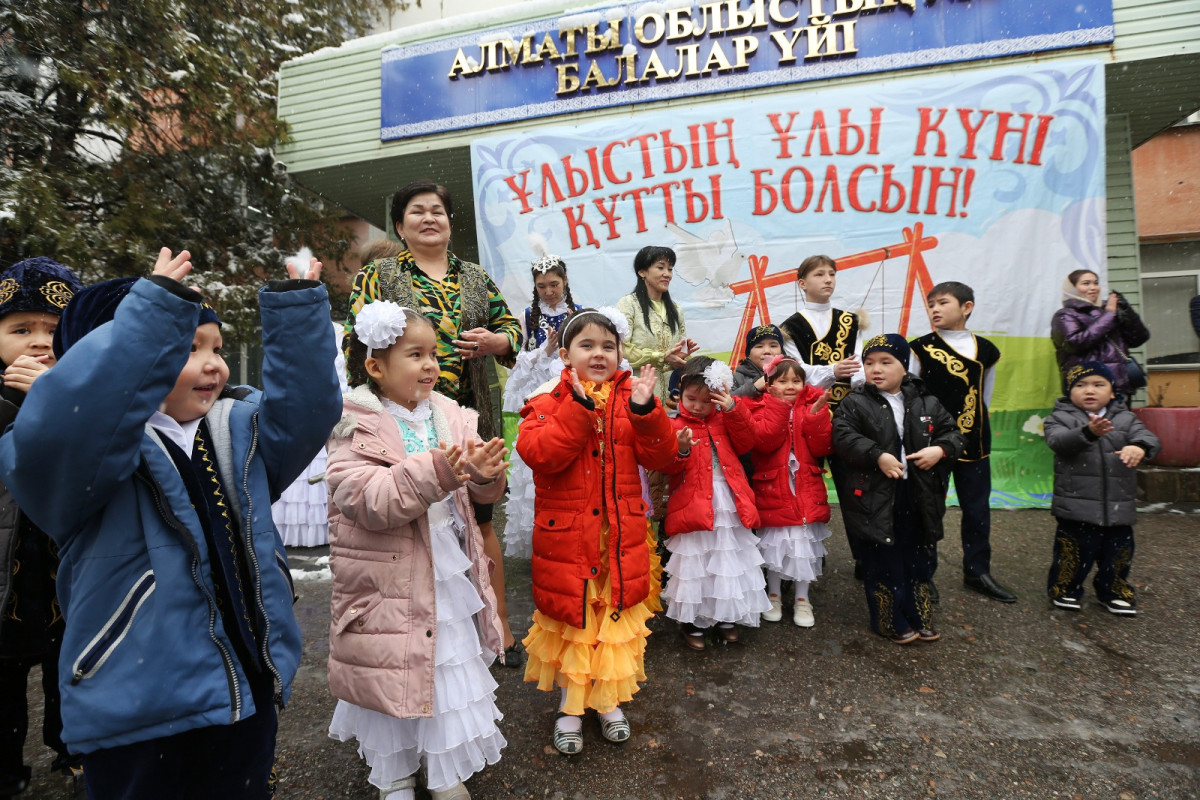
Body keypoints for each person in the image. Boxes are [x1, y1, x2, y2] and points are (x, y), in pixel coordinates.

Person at [0, 248, 340, 799]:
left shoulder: (236, 429)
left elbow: (306, 409)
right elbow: (83, 419)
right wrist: (150, 318)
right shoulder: (77, 449)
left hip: (242, 687)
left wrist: (297, 307)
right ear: (112, 360)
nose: (213, 364)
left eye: (217, 348)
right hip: (138, 704)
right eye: (185, 348)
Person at [326, 302, 509, 800]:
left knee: (445, 659)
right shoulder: (353, 423)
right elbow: (366, 500)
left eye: (434, 354)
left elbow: (478, 492)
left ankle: (445, 768)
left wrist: (488, 476)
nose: (430, 365)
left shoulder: (452, 414)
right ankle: (396, 774)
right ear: (375, 366)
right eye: (415, 354)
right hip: (385, 580)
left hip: (447, 565)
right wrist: (443, 471)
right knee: (393, 663)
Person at [343, 179, 524, 664]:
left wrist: (497, 343)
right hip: (403, 421)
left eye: (438, 211)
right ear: (400, 227)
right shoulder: (380, 274)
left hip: (468, 416)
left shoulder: (475, 276)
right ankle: (420, 636)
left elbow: (513, 331)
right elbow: (356, 345)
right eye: (417, 212)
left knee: (478, 522)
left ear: (449, 222)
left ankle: (497, 627)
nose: (430, 218)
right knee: (414, 527)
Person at [517, 310, 676, 755]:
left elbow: (661, 457)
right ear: (566, 355)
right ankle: (570, 706)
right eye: (587, 346)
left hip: (620, 536)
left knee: (612, 622)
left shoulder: (632, 399)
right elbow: (538, 453)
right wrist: (579, 411)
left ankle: (607, 702)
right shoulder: (548, 399)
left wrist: (647, 412)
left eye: (608, 346)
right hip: (569, 540)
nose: (600, 354)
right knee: (575, 621)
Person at [0, 258, 84, 798]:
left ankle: (73, 751)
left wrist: (59, 397)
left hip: (66, 574)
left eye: (54, 330)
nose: (38, 342)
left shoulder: (88, 394)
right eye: (20, 329)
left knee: (70, 675)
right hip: (7, 574)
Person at [832, 334, 964, 645]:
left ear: (904, 367)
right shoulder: (855, 402)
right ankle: (889, 618)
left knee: (917, 557)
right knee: (882, 559)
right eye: (869, 363)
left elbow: (954, 434)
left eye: (885, 362)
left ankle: (919, 612)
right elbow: (842, 436)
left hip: (917, 494)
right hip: (876, 497)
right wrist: (877, 454)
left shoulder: (926, 401)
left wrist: (941, 451)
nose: (876, 369)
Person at [909, 281, 1016, 604]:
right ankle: (922, 574)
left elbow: (985, 397)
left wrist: (969, 430)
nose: (935, 310)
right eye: (931, 305)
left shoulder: (987, 350)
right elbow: (913, 398)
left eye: (943, 303)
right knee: (928, 511)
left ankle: (977, 570)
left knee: (977, 510)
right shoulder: (920, 348)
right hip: (932, 445)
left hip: (974, 443)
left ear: (966, 307)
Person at [658, 357, 767, 650]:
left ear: (718, 398)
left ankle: (726, 614)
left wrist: (733, 409)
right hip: (693, 499)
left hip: (730, 498)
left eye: (706, 401)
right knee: (696, 561)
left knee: (728, 558)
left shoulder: (725, 417)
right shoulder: (674, 423)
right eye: (691, 399)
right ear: (680, 393)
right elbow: (668, 465)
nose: (697, 406)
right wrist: (680, 449)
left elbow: (748, 442)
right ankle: (693, 619)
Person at [1043, 362, 1160, 615]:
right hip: (1076, 507)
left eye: (1099, 385)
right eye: (1080, 385)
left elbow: (1150, 438)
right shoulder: (1059, 417)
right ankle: (1065, 590)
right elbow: (1059, 442)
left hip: (1118, 508)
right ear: (1069, 391)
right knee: (1072, 555)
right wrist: (1088, 432)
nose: (1089, 390)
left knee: (1118, 557)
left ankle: (1114, 591)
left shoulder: (1125, 418)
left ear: (1112, 391)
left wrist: (1138, 447)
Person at [501, 252, 581, 559]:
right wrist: (545, 350)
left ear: (565, 281)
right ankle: (540, 537)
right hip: (539, 398)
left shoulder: (579, 313)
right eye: (541, 286)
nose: (548, 291)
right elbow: (518, 366)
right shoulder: (527, 317)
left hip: (569, 395)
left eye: (554, 284)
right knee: (537, 458)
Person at [747, 356, 833, 628]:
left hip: (805, 487)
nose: (790, 386)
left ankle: (802, 600)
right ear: (769, 384)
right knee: (774, 547)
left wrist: (817, 417)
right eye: (782, 380)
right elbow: (763, 442)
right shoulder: (759, 407)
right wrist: (776, 408)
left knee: (804, 546)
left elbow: (821, 448)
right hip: (774, 487)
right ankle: (773, 596)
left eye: (796, 380)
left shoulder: (813, 406)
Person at [615, 245, 698, 407]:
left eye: (670, 269)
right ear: (642, 272)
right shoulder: (628, 304)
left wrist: (682, 359)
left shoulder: (676, 310)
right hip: (639, 392)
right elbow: (620, 349)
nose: (667, 274)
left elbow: (680, 351)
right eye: (660, 267)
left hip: (673, 396)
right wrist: (660, 357)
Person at [779, 254, 863, 409]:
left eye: (832, 274)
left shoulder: (850, 321)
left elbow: (859, 366)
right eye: (819, 274)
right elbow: (797, 372)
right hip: (809, 408)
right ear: (802, 284)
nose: (828, 279)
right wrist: (833, 371)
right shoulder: (790, 328)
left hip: (851, 407)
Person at [1051, 269, 1150, 397]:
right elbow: (1075, 343)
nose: (1093, 288)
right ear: (1072, 288)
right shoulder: (1064, 315)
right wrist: (1109, 315)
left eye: (1095, 283)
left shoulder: (1108, 311)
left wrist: (1127, 311)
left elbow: (1139, 338)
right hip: (1086, 389)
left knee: (1122, 418)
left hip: (1118, 387)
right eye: (1086, 283)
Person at [731, 324, 785, 398]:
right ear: (748, 354)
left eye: (773, 346)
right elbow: (725, 404)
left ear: (781, 351)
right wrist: (754, 387)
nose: (767, 351)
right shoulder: (737, 377)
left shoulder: (793, 371)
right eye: (759, 346)